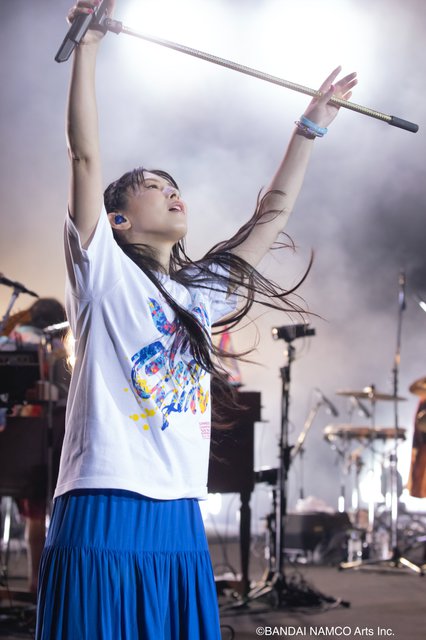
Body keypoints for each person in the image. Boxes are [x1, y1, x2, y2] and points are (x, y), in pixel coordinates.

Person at [35, 1, 357, 638]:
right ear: (119, 220)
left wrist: (308, 130)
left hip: (178, 505)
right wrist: (88, 49)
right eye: (153, 186)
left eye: (173, 183)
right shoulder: (102, 268)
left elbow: (271, 217)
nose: (171, 190)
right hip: (105, 498)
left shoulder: (199, 292)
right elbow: (84, 159)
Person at [0, 298, 69, 593]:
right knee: (40, 509)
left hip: (8, 452)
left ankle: (32, 585)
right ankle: (38, 587)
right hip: (39, 457)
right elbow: (67, 397)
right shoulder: (53, 350)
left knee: (33, 508)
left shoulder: (8, 340)